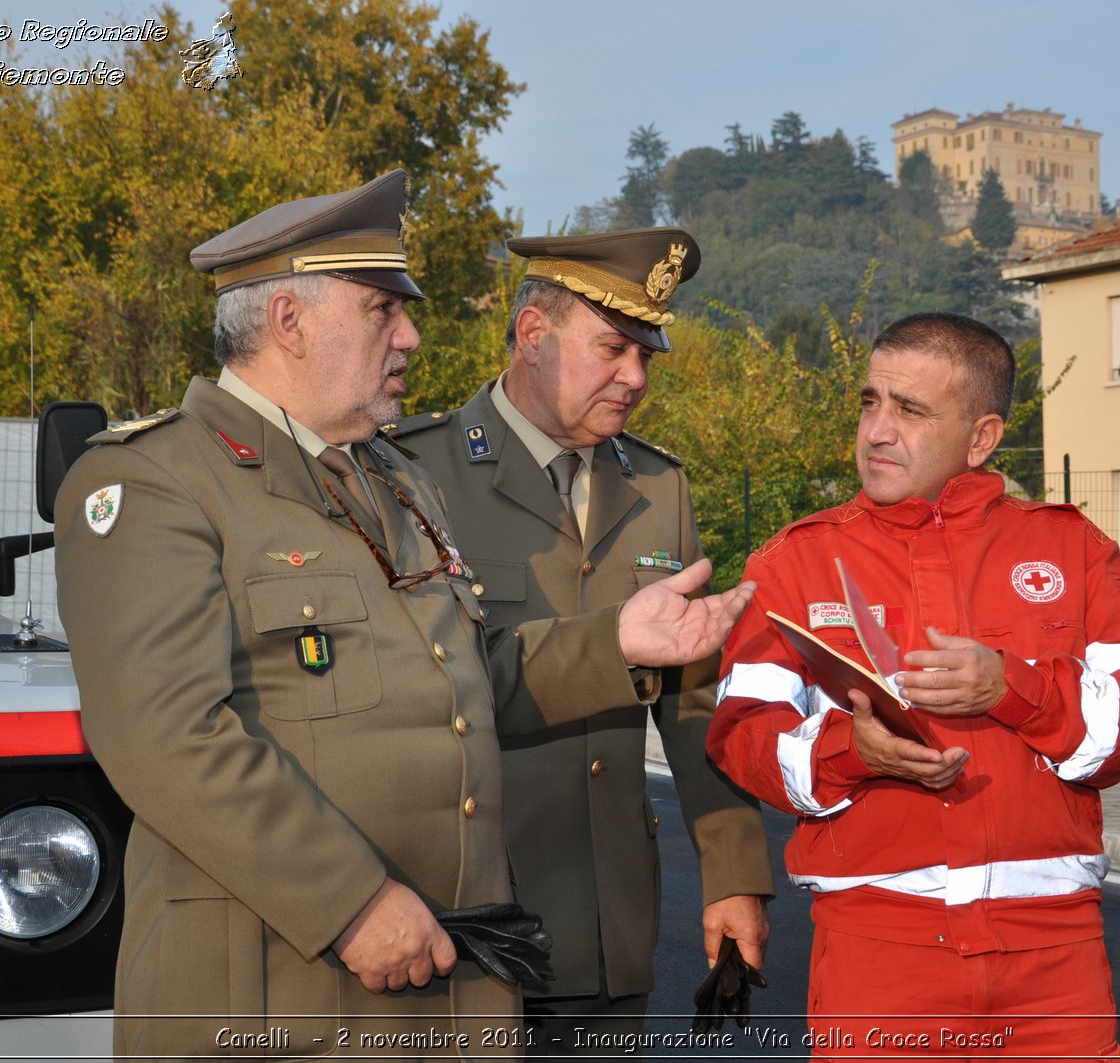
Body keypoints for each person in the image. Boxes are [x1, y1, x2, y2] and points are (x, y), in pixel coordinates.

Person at [53, 171, 756, 1061]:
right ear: (289, 321)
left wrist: (615, 640)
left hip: (440, 991)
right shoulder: (151, 480)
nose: (413, 335)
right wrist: (349, 899)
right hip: (277, 999)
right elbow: (166, 737)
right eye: (384, 309)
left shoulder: (390, 478)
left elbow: (465, 679)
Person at [706, 312, 1120, 1061]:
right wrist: (849, 751)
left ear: (983, 436)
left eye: (911, 410)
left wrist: (1014, 688)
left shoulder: (1073, 547)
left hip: (1055, 965)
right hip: (876, 957)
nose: (877, 431)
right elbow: (739, 734)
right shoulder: (794, 562)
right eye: (870, 402)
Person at [392, 228, 774, 1051]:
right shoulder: (413, 476)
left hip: (608, 920)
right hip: (464, 914)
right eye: (613, 348)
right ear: (534, 335)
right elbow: (413, 692)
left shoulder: (657, 484)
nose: (636, 378)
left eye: (649, 355)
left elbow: (693, 701)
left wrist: (733, 874)